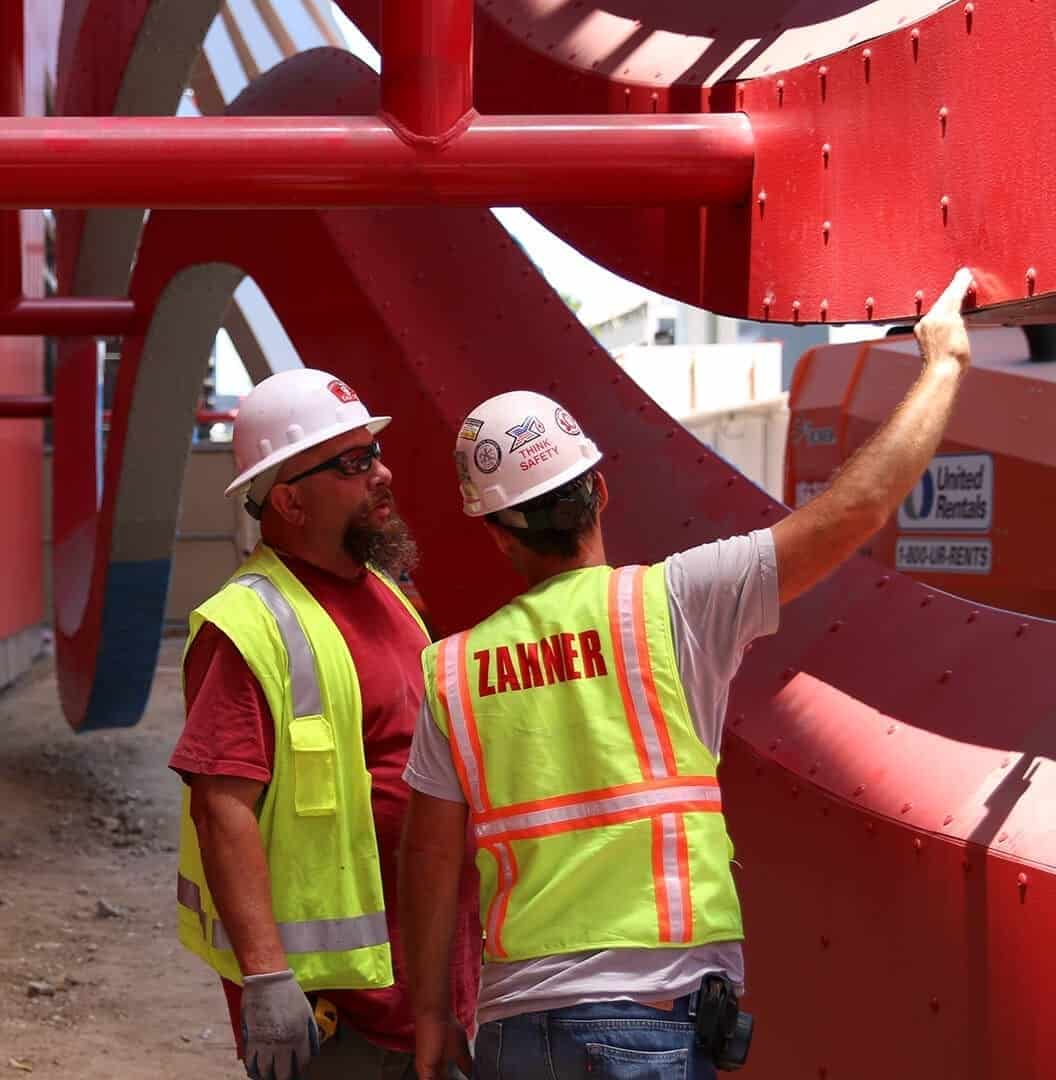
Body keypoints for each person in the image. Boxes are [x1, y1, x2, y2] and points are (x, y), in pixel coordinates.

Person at [398, 270, 979, 1079]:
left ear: (498, 534)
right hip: (651, 1021)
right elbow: (857, 509)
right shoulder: (678, 602)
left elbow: (428, 859)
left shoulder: (452, 669)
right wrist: (944, 360)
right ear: (599, 488)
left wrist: (430, 1014)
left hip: (513, 1029)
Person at [171, 367, 478, 1079]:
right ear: (288, 499)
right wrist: (267, 979)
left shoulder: (389, 597)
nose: (383, 473)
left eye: (373, 451)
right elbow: (223, 809)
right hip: (339, 1018)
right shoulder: (248, 624)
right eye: (354, 462)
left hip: (428, 994)